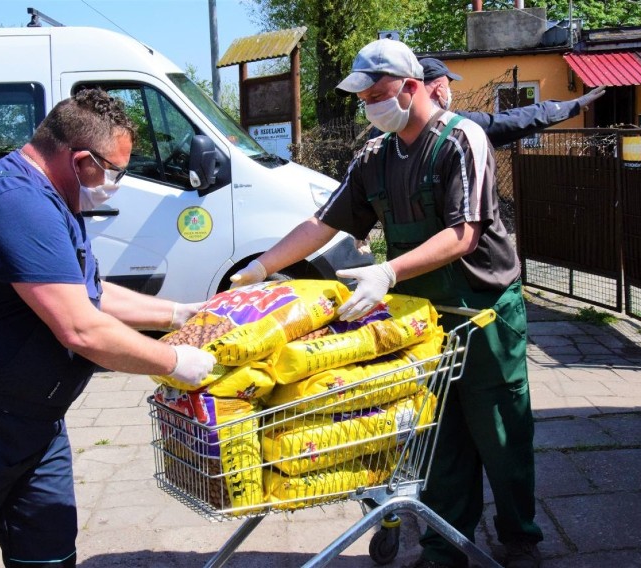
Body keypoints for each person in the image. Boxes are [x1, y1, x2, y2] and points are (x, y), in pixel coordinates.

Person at [231, 39, 542, 567]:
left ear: (413, 87)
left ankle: (518, 538)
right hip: (420, 320)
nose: (370, 106)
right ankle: (445, 546)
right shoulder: (374, 157)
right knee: (435, 434)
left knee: (500, 429)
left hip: (483, 311)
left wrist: (388, 269)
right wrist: (260, 267)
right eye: (364, 98)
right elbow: (322, 224)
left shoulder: (461, 140)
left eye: (379, 94)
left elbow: (463, 234)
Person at [0, 88, 215, 568]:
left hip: (35, 424)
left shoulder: (54, 199)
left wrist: (177, 314)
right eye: (115, 171)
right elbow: (81, 328)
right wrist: (176, 363)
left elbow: (89, 292)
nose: (117, 183)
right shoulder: (16, 202)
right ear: (81, 159)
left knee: (48, 558)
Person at [419, 56, 606, 147]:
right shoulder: (458, 128)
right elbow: (516, 120)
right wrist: (571, 105)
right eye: (448, 85)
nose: (450, 92)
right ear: (439, 89)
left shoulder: (398, 132)